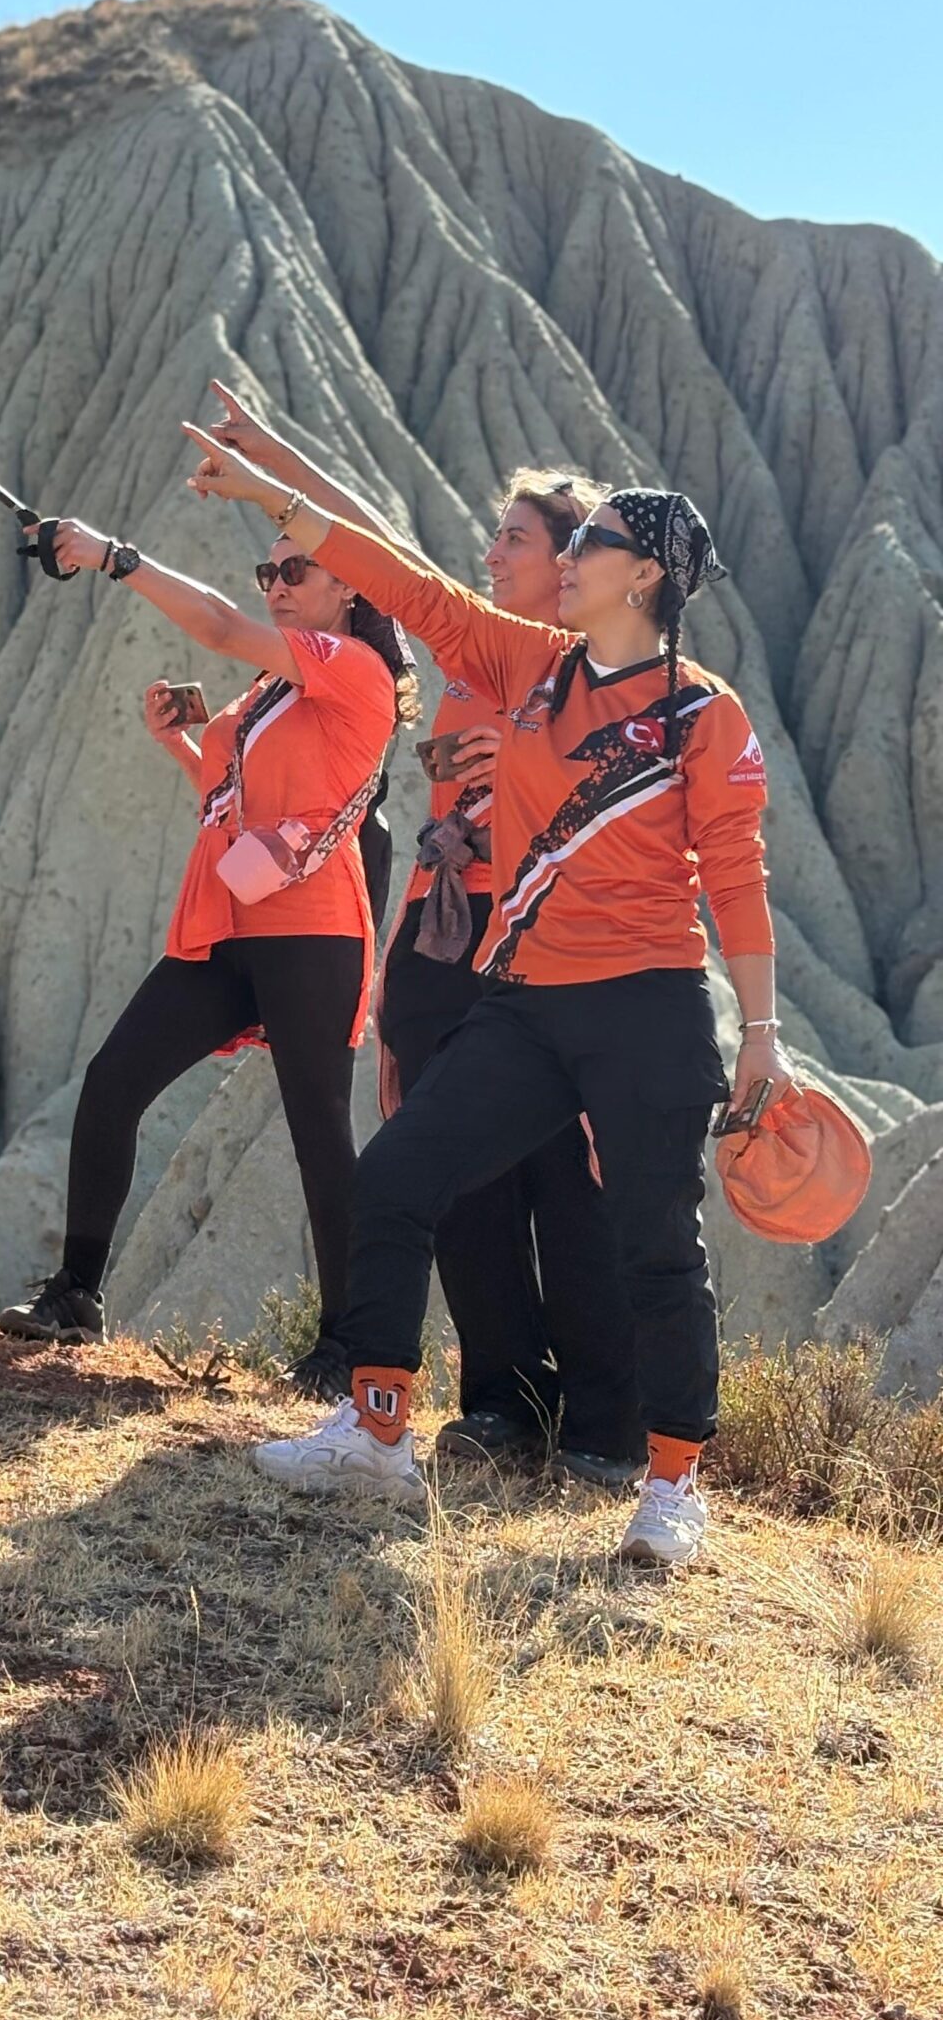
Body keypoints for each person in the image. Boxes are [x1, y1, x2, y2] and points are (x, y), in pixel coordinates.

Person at [184, 424, 785, 1566]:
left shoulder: (706, 715)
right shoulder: (528, 661)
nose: (572, 555)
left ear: (645, 573)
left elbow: (737, 881)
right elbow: (407, 584)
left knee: (657, 1239)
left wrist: (761, 1034)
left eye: (596, 540)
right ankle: (375, 1431)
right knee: (401, 1177)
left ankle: (671, 1484)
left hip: (650, 1004)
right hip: (526, 1001)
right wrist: (274, 496)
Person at [200, 388, 642, 1484]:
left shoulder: (559, 662)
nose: (491, 553)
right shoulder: (467, 656)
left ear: (572, 563)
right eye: (492, 536)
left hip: (537, 936)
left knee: (567, 1184)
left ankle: (602, 1425)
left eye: (515, 539)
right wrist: (274, 461)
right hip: (443, 937)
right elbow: (384, 553)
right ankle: (502, 1402)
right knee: (459, 1180)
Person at [0, 499, 419, 1392]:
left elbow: (220, 626)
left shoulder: (354, 667)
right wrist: (180, 742)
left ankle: (346, 1345)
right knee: (114, 1080)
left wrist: (115, 556)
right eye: (268, 574)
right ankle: (76, 1293)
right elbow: (236, 792)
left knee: (316, 1129)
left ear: (350, 587)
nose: (275, 588)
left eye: (294, 571)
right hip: (234, 924)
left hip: (313, 932)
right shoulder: (277, 687)